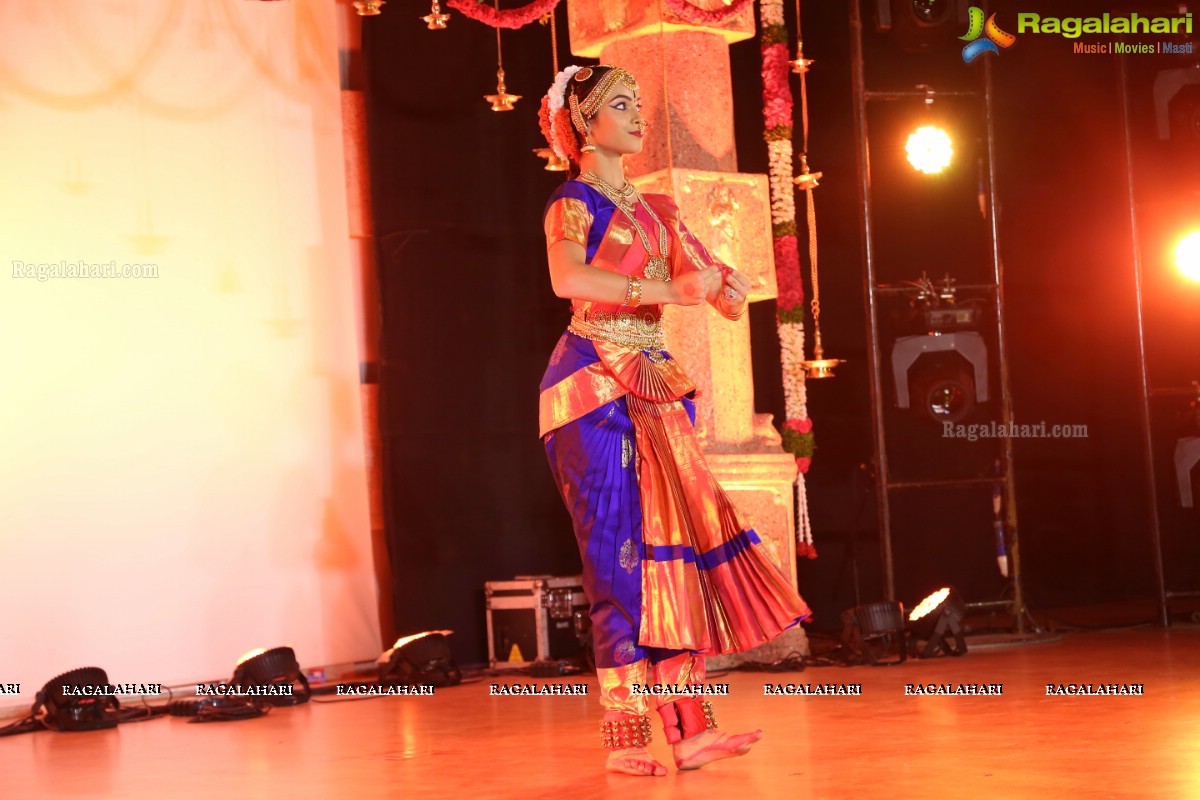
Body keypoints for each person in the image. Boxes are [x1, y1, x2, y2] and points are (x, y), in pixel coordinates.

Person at [537, 64, 812, 777]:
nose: (639, 118)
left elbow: (711, 286)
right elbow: (569, 280)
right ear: (583, 124)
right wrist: (672, 287)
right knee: (617, 563)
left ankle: (688, 727)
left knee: (670, 561)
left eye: (638, 106)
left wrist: (727, 288)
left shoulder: (657, 211)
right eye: (621, 106)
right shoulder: (571, 203)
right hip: (591, 389)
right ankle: (626, 738)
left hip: (653, 388)